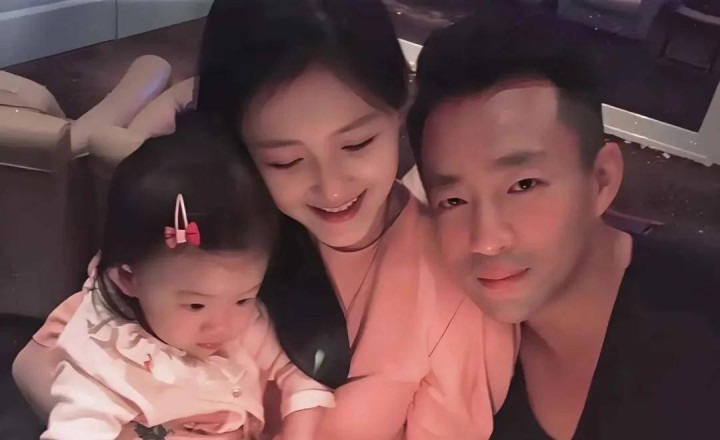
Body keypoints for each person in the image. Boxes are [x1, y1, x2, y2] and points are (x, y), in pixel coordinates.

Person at [14, 1, 517, 439]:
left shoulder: (453, 288)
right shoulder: (211, 217)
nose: (332, 189)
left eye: (357, 144)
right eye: (286, 161)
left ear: (399, 110)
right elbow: (36, 362)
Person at [407, 10, 720, 440]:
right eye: (454, 200)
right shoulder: (463, 365)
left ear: (601, 180)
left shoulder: (704, 318)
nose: (487, 240)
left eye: (523, 185)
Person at [41, 113, 334, 440]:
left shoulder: (243, 320)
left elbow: (300, 373)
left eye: (244, 298)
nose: (223, 326)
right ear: (128, 279)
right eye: (196, 306)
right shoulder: (102, 358)